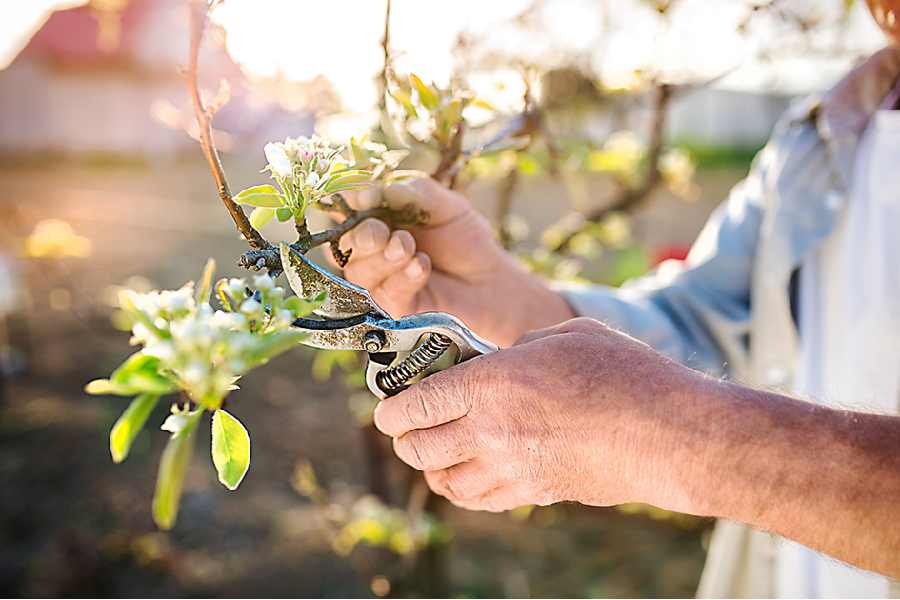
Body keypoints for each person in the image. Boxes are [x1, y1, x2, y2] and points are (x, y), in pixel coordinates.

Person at [338, 1, 900, 596]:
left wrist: (672, 437)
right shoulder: (826, 131)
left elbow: (675, 409)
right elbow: (700, 325)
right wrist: (494, 293)